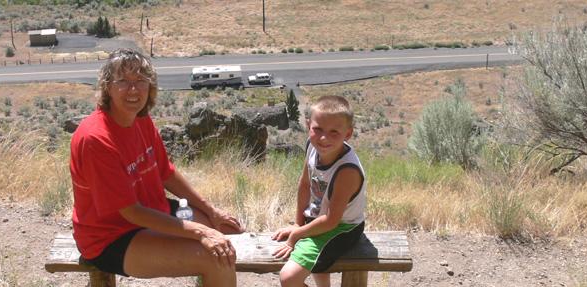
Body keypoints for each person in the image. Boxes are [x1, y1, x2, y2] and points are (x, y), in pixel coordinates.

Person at [69, 49, 244, 286]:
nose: (133, 89)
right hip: (111, 237)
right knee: (215, 258)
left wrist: (211, 211)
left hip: (152, 211)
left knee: (224, 231)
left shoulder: (140, 119)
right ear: (107, 87)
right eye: (123, 81)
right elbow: (130, 212)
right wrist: (200, 232)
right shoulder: (96, 139)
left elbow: (165, 172)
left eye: (141, 80)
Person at [271, 95, 367, 287]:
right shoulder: (312, 147)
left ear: (348, 134)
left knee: (288, 278)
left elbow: (332, 221)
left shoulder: (346, 171)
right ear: (308, 126)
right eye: (318, 129)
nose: (324, 138)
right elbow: (305, 184)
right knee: (316, 269)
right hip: (319, 217)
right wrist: (298, 224)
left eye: (334, 132)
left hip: (342, 227)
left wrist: (296, 236)